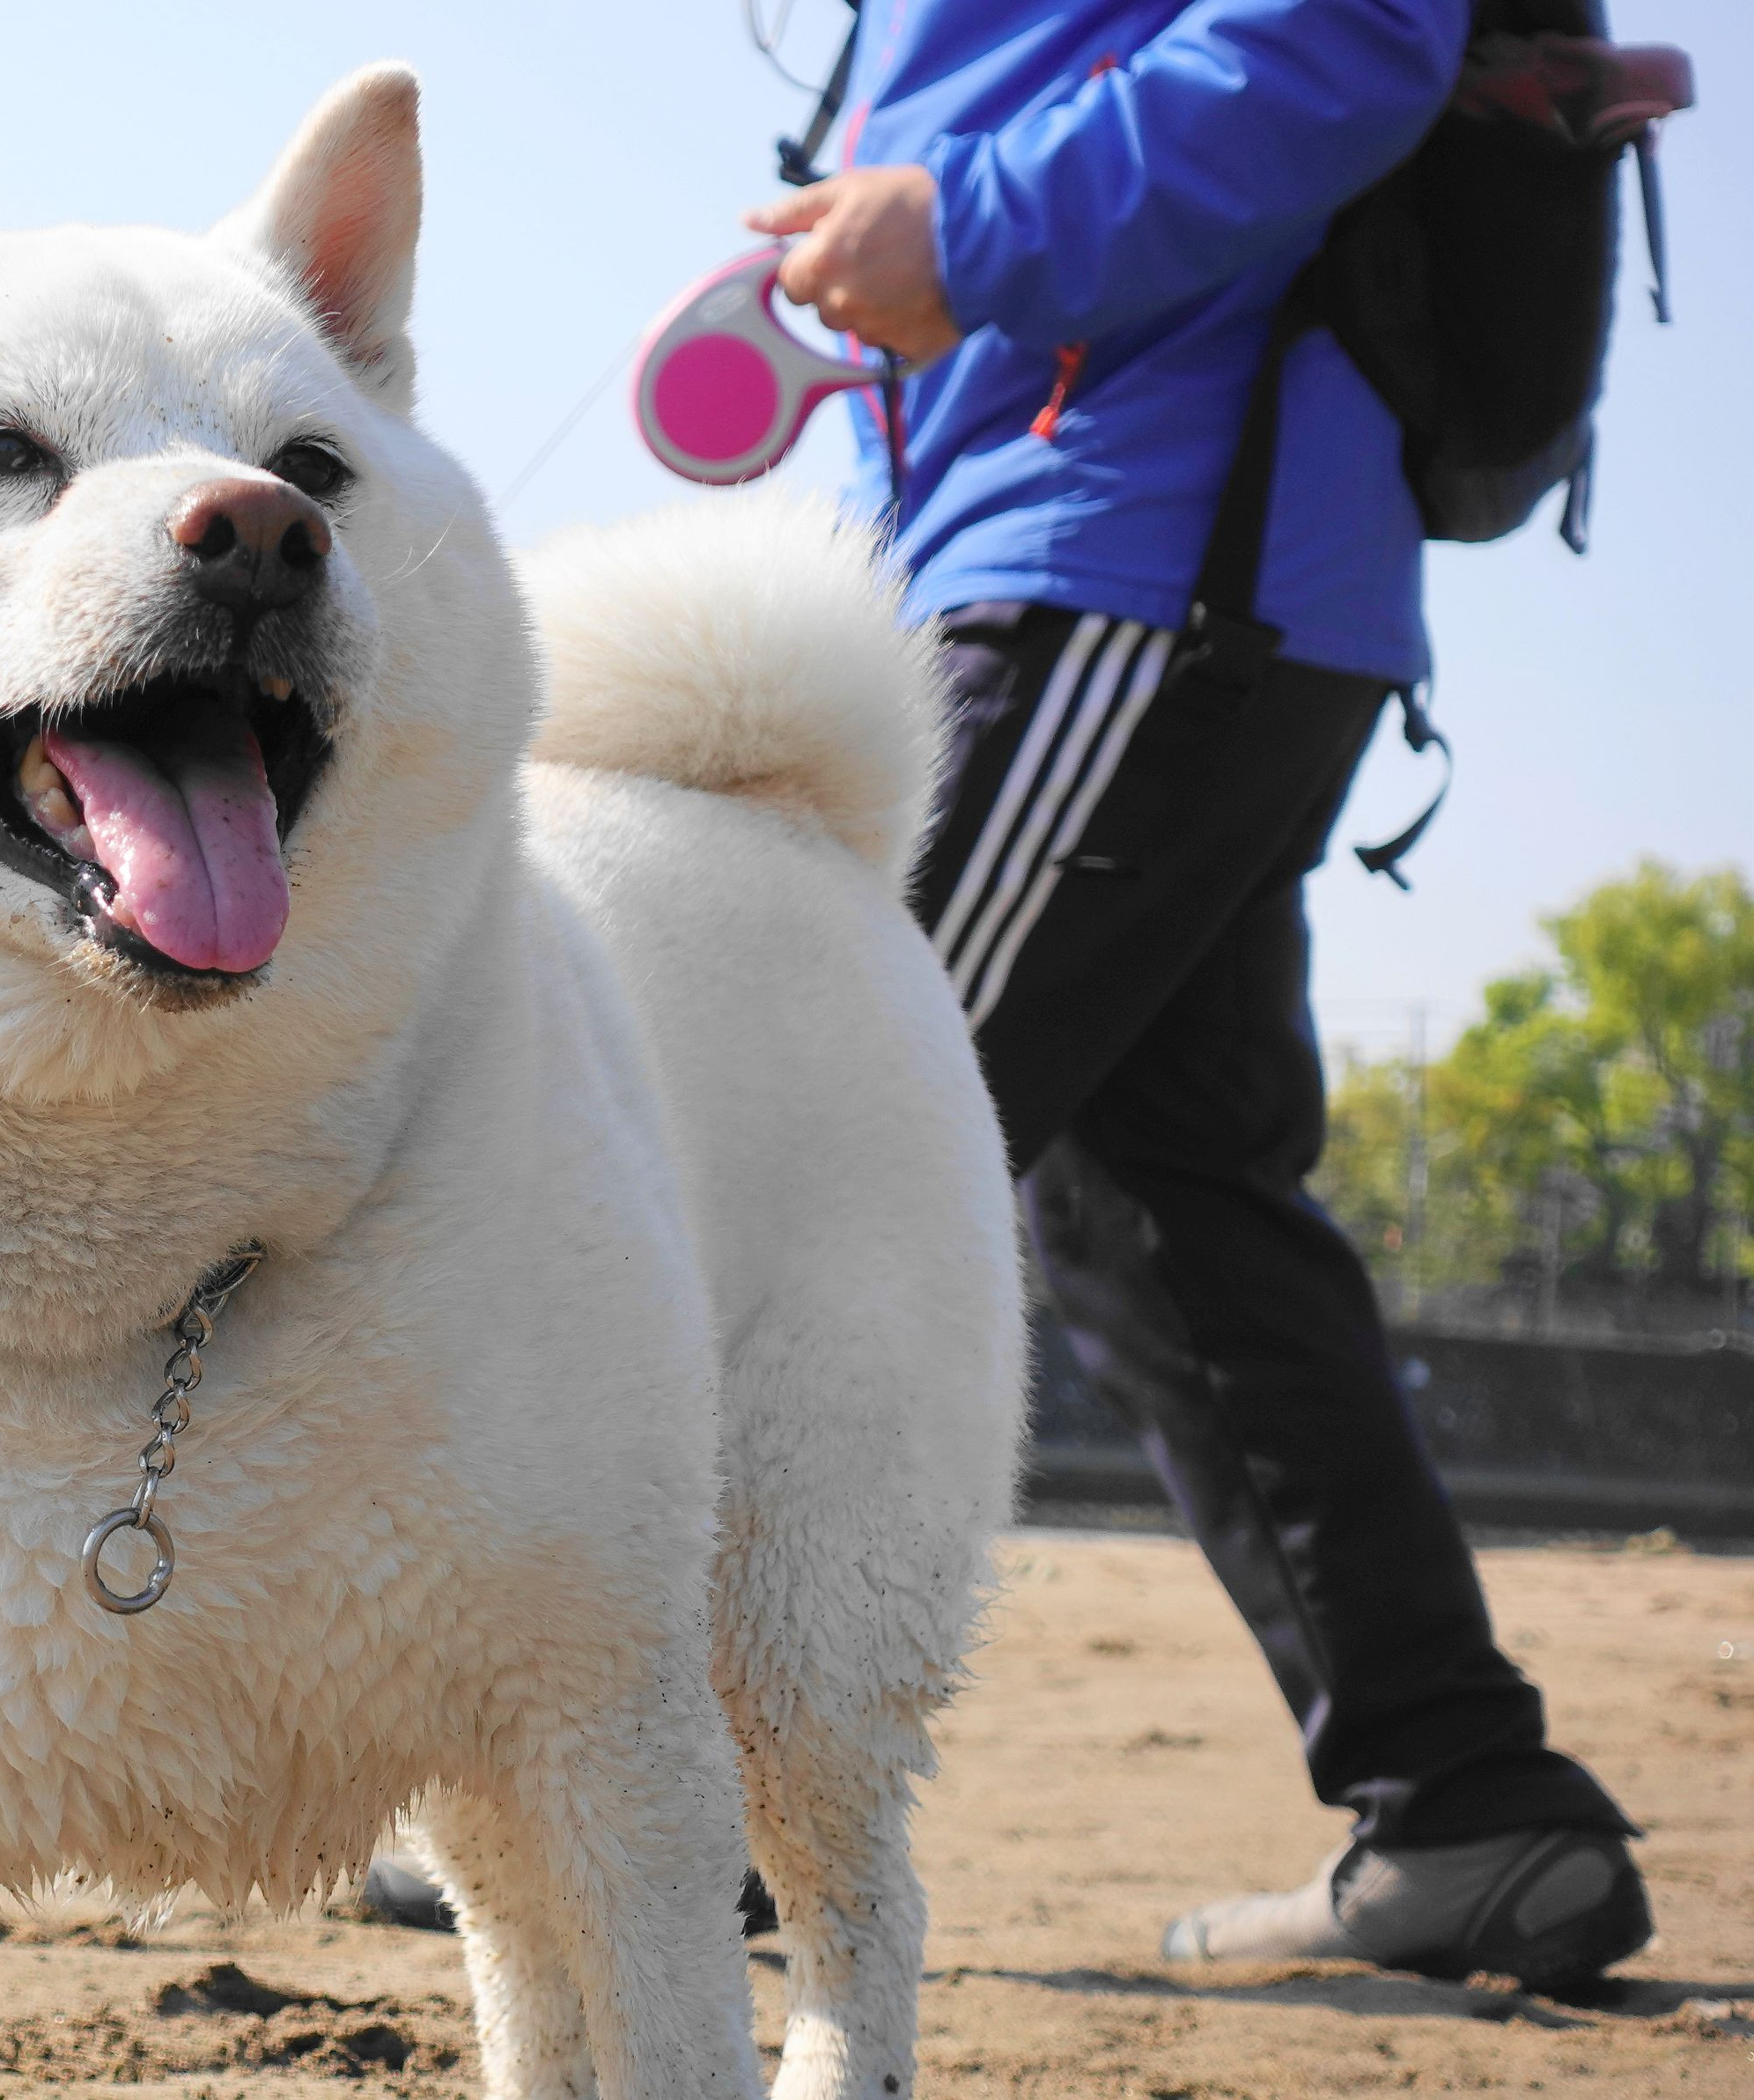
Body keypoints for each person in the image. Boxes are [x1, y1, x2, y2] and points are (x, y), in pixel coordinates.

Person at [746, 0, 1652, 1988]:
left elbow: (1345, 32)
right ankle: (1467, 1805)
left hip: (1131, 557)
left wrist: (963, 227)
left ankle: (675, 1795)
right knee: (1167, 1233)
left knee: (805, 1175)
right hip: (1162, 569)